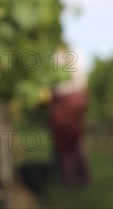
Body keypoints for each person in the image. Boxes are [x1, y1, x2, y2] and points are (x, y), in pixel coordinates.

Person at [49, 49, 91, 187]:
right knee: (75, 141)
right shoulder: (75, 54)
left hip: (66, 101)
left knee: (66, 143)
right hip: (75, 100)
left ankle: (70, 179)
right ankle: (80, 177)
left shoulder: (55, 56)